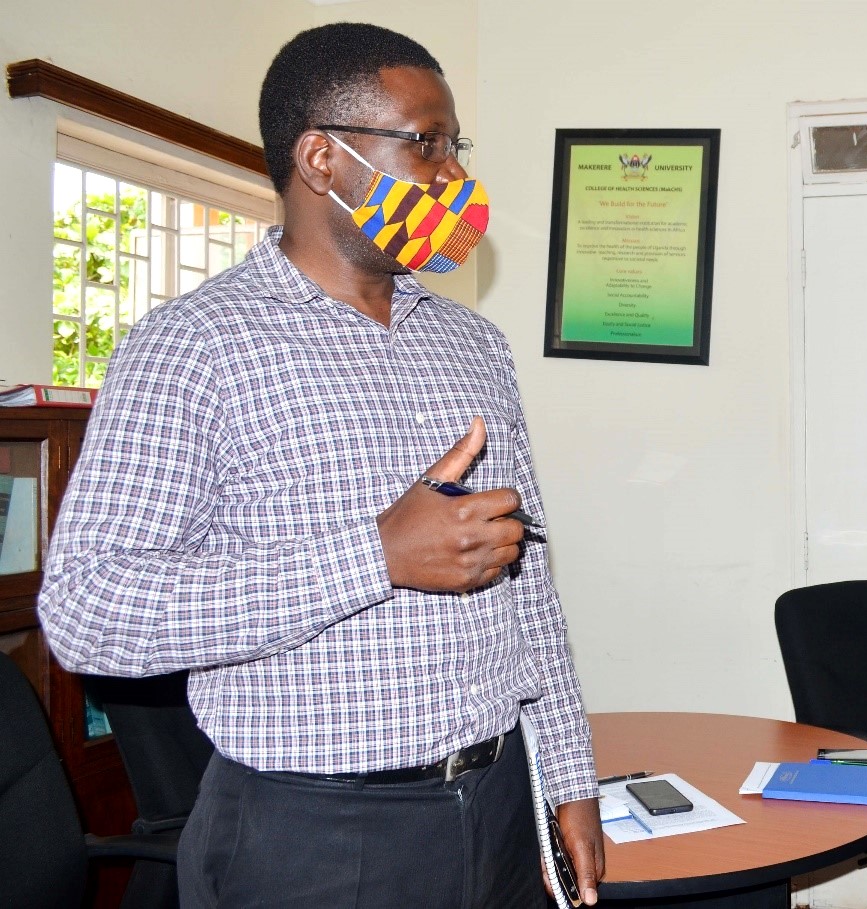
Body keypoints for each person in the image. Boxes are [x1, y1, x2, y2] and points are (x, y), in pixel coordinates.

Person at [38, 23, 603, 908]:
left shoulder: (475, 345)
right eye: (428, 144)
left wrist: (566, 780)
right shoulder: (192, 346)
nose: (455, 175)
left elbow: (526, 581)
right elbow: (87, 611)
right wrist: (375, 554)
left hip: (498, 804)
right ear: (322, 158)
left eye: (456, 145)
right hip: (312, 839)